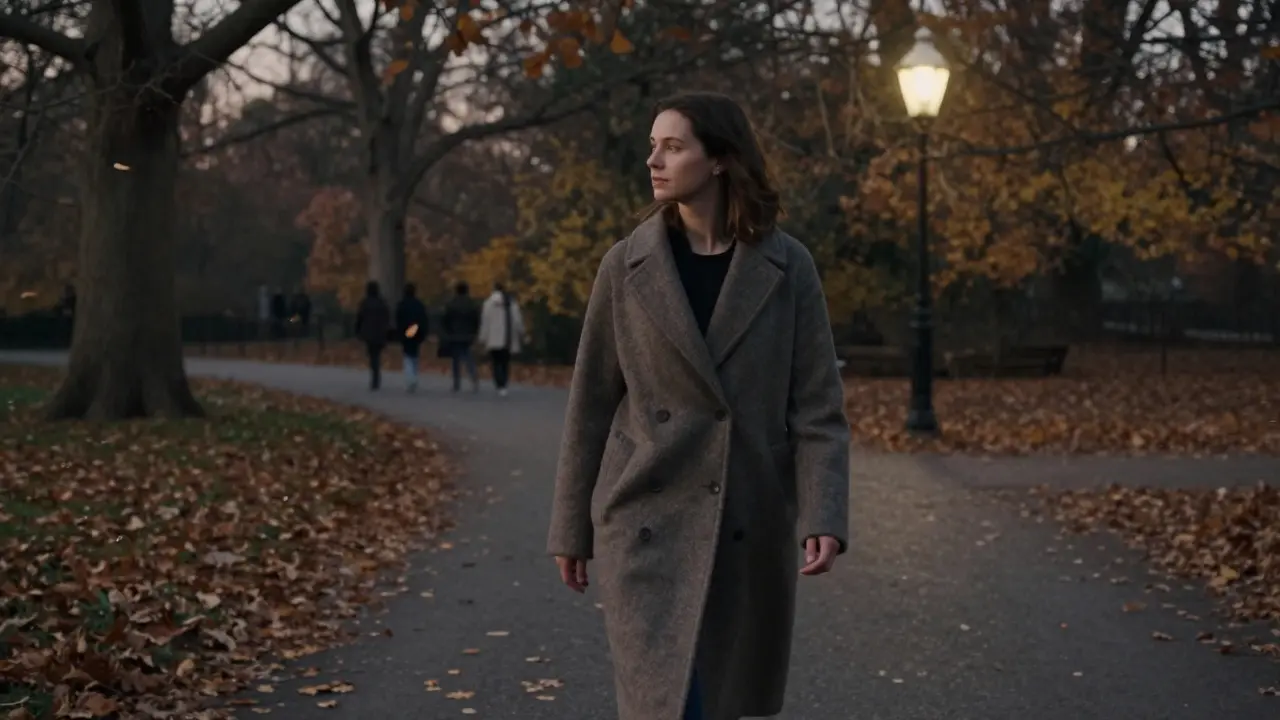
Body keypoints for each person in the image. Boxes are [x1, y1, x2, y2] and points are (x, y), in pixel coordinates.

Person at [545, 92, 850, 720]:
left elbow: (818, 407)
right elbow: (591, 406)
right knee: (664, 704)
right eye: (653, 145)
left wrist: (823, 512)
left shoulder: (788, 268)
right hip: (645, 522)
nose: (653, 160)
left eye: (673, 146)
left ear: (719, 160)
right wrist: (570, 525)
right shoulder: (625, 268)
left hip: (746, 519)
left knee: (723, 701)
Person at [477, 282, 526, 397]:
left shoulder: (488, 304)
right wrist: (522, 333)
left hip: (493, 339)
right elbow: (517, 320)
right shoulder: (511, 303)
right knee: (505, 362)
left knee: (495, 362)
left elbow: (485, 322)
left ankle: (498, 383)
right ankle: (503, 384)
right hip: (507, 339)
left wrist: (483, 338)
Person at [440, 281, 480, 392]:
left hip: (454, 335)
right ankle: (473, 377)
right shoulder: (472, 304)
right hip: (468, 335)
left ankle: (456, 382)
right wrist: (474, 332)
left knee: (455, 360)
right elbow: (476, 320)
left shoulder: (451, 304)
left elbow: (445, 320)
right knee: (468, 357)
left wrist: (447, 332)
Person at [354, 280, 392, 390]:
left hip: (369, 333)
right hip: (380, 333)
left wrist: (358, 331)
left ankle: (375, 377)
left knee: (372, 355)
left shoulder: (364, 303)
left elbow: (359, 318)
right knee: (376, 355)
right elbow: (387, 318)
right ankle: (376, 375)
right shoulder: (382, 303)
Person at [396, 282, 430, 392]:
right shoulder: (419, 304)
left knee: (407, 356)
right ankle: (414, 376)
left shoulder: (402, 304)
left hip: (406, 332)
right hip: (417, 331)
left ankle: (411, 379)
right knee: (415, 355)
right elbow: (424, 319)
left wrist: (399, 333)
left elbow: (398, 319)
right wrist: (423, 333)